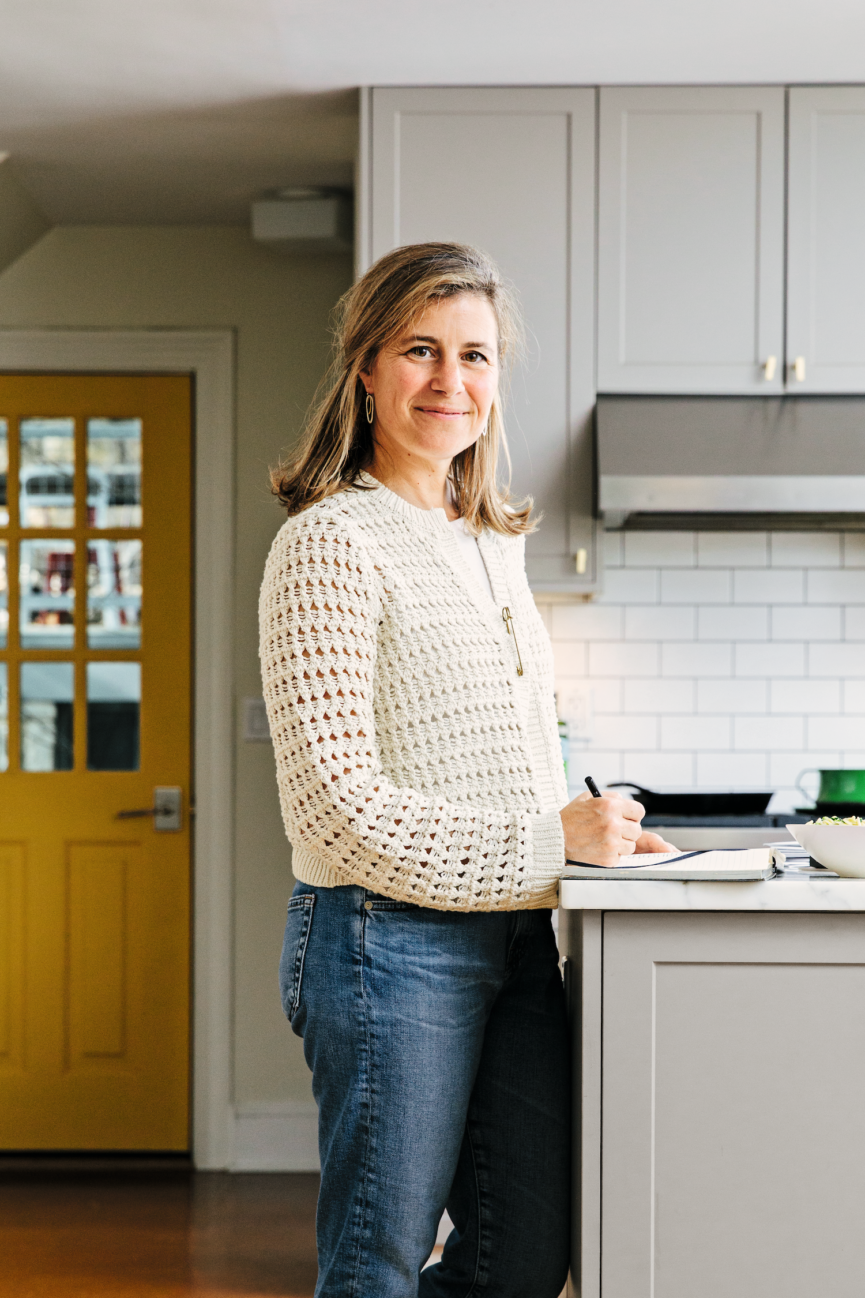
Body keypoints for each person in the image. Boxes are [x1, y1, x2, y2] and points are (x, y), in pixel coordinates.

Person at [259, 242, 672, 1298]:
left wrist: (596, 834)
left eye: (476, 355)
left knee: (521, 1258)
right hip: (382, 940)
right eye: (420, 350)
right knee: (376, 1263)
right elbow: (337, 810)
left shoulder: (490, 539)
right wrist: (549, 842)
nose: (452, 381)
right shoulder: (330, 543)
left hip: (514, 936)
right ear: (365, 368)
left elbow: (497, 757)